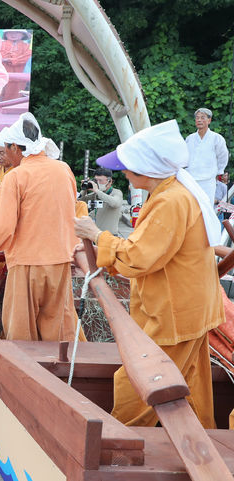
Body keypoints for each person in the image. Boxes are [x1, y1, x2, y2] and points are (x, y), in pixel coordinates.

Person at [74, 119, 223, 428]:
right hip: (190, 308)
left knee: (139, 380)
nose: (123, 172)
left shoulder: (170, 200)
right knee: (192, 385)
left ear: (145, 169)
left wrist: (95, 234)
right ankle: (206, 443)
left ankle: (118, 445)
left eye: (127, 166)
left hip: (174, 312)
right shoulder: (173, 192)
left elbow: (138, 257)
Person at [0, 112, 81, 341]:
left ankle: (25, 374)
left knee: (21, 333)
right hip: (61, 261)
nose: (5, 155)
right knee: (61, 329)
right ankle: (67, 374)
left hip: (27, 264)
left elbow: (1, 229)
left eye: (6, 149)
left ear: (16, 147)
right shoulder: (64, 170)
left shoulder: (16, 176)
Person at [185, 107, 229, 205]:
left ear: (209, 120)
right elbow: (185, 157)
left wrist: (219, 172)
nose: (199, 120)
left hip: (208, 180)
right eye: (197, 118)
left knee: (206, 207)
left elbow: (223, 156)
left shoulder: (216, 138)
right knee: (191, 207)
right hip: (191, 179)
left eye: (203, 117)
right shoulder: (190, 138)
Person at [80, 167, 123, 236]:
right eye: (96, 181)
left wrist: (97, 191)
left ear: (110, 181)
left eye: (100, 180)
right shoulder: (95, 194)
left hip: (110, 236)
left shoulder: (116, 192)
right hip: (95, 235)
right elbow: (79, 202)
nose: (98, 183)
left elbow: (115, 203)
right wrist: (84, 188)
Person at [0, 30, 32, 100]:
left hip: (19, 75)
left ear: (23, 35)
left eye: (17, 32)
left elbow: (27, 57)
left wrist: (10, 59)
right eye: (10, 32)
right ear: (6, 34)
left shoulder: (27, 46)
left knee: (15, 97)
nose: (13, 34)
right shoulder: (0, 44)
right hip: (1, 73)